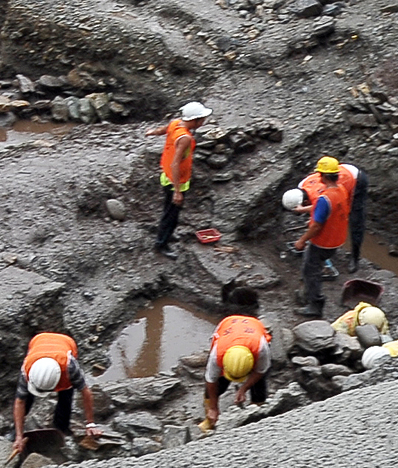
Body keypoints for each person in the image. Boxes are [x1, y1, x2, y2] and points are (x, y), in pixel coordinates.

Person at [284, 155, 365, 318]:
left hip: (322, 242)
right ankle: (309, 295)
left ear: (323, 176)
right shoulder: (341, 190)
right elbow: (325, 208)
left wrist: (301, 241)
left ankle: (315, 303)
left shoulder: (324, 198)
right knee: (314, 267)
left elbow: (316, 226)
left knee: (310, 270)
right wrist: (304, 210)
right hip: (337, 240)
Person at [12, 331, 99, 458]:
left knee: (66, 395)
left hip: (66, 344)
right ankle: (15, 429)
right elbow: (19, 401)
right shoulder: (27, 369)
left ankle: (61, 428)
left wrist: (90, 424)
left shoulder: (69, 367)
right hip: (39, 341)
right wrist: (19, 436)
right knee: (26, 397)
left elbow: (86, 393)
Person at [201, 289, 271, 433]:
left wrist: (243, 388)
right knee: (214, 389)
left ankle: (257, 415)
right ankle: (210, 417)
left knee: (259, 387)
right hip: (230, 331)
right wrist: (214, 407)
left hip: (251, 337)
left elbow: (260, 371)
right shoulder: (217, 353)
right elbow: (211, 380)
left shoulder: (261, 347)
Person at [143, 102, 209, 254]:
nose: (204, 122)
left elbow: (163, 130)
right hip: (175, 181)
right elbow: (175, 164)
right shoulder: (185, 138)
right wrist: (177, 192)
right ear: (195, 120)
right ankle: (161, 244)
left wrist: (151, 132)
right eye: (202, 119)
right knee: (171, 215)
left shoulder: (175, 123)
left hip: (167, 176)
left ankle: (165, 236)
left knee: (169, 211)